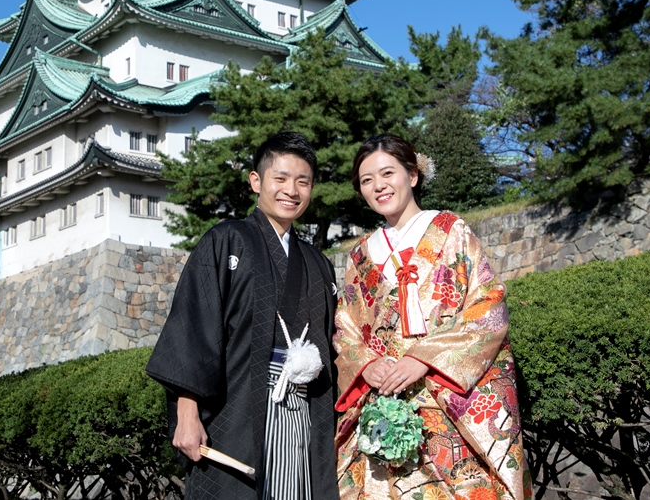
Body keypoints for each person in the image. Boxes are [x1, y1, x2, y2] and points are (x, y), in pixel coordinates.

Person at [333, 134, 530, 500]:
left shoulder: (451, 231)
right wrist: (366, 366)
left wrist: (423, 359)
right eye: (366, 180)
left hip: (444, 397)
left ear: (413, 175)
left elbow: (486, 304)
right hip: (385, 396)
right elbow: (345, 326)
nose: (378, 186)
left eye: (387, 173)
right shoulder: (359, 254)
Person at [146, 132, 339, 500]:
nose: (291, 191)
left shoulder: (318, 264)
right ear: (256, 181)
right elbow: (194, 329)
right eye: (280, 178)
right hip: (238, 410)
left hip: (302, 411)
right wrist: (187, 414)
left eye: (303, 181)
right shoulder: (226, 240)